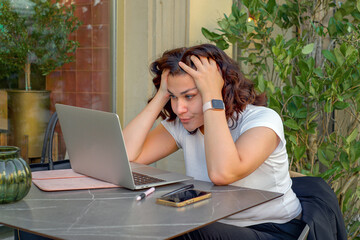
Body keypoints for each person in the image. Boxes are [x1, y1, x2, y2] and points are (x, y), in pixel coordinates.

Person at [123, 44, 304, 239]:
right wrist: (161, 95)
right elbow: (125, 157)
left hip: (273, 229)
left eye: (189, 96)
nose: (179, 108)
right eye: (174, 97)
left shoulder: (262, 120)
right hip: (214, 224)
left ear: (220, 87)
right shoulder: (184, 122)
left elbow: (223, 173)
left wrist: (212, 95)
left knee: (182, 230)